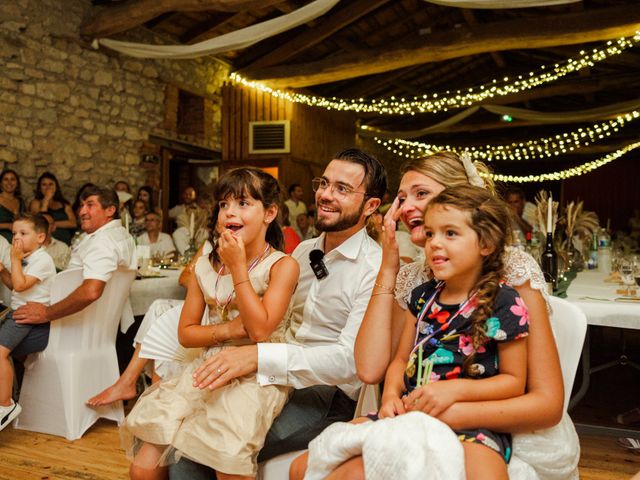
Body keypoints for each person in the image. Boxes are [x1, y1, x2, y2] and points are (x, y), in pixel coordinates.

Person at [347, 151, 577, 478]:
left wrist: (449, 411)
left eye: (421, 193)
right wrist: (389, 267)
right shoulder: (414, 282)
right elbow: (371, 370)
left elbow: (547, 404)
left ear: (462, 199)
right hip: (417, 412)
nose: (405, 206)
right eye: (400, 198)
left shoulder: (510, 273)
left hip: (494, 423)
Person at [169, 148, 387, 479]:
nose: (325, 195)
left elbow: (350, 362)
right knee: (181, 439)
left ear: (371, 206)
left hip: (325, 393)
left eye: (342, 189)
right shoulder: (302, 251)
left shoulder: (374, 268)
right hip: (271, 377)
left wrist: (259, 358)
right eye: (324, 183)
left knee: (211, 447)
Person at [295, 186, 530, 479]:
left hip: (471, 423)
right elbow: (399, 361)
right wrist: (391, 395)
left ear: (487, 243)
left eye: (450, 234)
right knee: (303, 467)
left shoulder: (505, 301)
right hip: (408, 413)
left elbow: (514, 381)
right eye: (430, 234)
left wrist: (455, 390)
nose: (434, 244)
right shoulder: (421, 296)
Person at [122, 167, 300, 479]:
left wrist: (238, 266)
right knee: (143, 468)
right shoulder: (205, 267)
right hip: (207, 365)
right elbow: (187, 334)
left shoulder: (282, 266)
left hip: (258, 372)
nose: (230, 212)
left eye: (243, 203)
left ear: (270, 213)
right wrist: (229, 330)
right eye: (224, 204)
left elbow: (259, 330)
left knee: (227, 464)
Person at [12, 186, 136, 330]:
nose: (82, 211)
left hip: (71, 325)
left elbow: (91, 292)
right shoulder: (121, 235)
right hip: (95, 324)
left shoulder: (103, 241)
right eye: (82, 205)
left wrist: (46, 313)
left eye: (90, 205)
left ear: (110, 210)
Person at [0, 214, 56, 431]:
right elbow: (14, 285)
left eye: (23, 233)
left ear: (40, 237)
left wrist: (13, 260)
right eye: (14, 233)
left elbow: (21, 286)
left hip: (29, 318)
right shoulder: (27, 257)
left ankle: (6, 404)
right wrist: (4, 271)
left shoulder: (42, 260)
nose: (16, 238)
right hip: (17, 312)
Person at [29, 172, 77, 245]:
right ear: (40, 188)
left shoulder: (64, 204)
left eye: (51, 184)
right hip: (46, 243)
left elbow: (73, 223)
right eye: (44, 184)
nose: (47, 187)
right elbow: (40, 223)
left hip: (66, 243)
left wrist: (52, 224)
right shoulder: (35, 203)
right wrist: (46, 201)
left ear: (56, 187)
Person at [0, 169, 26, 243]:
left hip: (19, 243)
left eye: (12, 179)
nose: (9, 182)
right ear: (0, 183)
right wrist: (7, 226)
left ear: (17, 183)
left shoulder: (21, 202)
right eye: (5, 179)